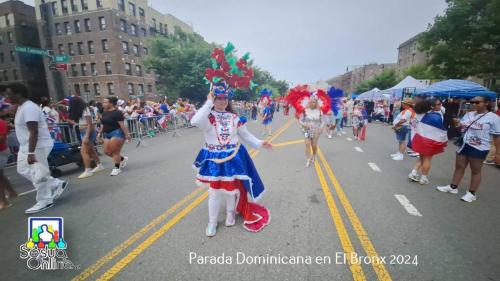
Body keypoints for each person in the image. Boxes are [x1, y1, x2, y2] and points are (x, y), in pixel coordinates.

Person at [191, 81, 272, 237]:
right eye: (218, 98)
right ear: (213, 99)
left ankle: (230, 213)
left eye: (225, 98)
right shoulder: (207, 117)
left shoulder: (235, 118)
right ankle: (212, 222)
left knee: (231, 189)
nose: (222, 101)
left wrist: (261, 143)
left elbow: (246, 136)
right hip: (215, 159)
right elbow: (194, 121)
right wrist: (208, 101)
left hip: (233, 156)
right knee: (214, 191)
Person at [7, 83, 68, 214]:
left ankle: (44, 200)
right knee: (23, 169)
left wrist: (30, 152)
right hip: (26, 145)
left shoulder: (29, 108)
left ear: (18, 94)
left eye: (9, 93)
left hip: (36, 145)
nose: (7, 96)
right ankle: (54, 183)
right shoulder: (21, 107)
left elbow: (34, 131)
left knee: (38, 173)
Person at [436, 96, 500, 202]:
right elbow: (462, 128)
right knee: (459, 166)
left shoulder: (493, 118)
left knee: (475, 170)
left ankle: (471, 193)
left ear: (486, 103)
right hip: (464, 144)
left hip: (479, 147)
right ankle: (453, 187)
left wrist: (498, 153)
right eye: (472, 102)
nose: (473, 104)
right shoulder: (468, 114)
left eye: (477, 102)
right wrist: (458, 124)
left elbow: (497, 136)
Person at [408, 98, 448, 185]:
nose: (440, 105)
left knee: (421, 157)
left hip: (420, 139)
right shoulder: (435, 116)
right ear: (432, 106)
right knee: (427, 159)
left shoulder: (419, 114)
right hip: (429, 141)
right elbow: (440, 131)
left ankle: (413, 173)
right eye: (438, 104)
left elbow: (413, 125)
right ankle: (423, 178)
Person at [100, 96, 131, 176]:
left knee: (115, 151)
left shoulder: (117, 112)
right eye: (103, 102)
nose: (103, 103)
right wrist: (99, 133)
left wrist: (127, 134)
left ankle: (117, 168)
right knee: (107, 152)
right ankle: (122, 159)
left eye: (105, 102)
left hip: (117, 133)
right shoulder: (104, 112)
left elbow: (122, 125)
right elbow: (103, 124)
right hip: (106, 134)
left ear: (111, 103)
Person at [73, 98, 104, 179]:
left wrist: (86, 136)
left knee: (84, 151)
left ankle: (88, 170)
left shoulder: (85, 110)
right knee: (91, 150)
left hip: (87, 132)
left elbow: (90, 124)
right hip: (85, 131)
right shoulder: (83, 110)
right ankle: (99, 165)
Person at [299, 97, 325, 167]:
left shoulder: (319, 111)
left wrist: (320, 128)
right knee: (307, 144)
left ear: (316, 103)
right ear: (308, 102)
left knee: (314, 145)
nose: (312, 103)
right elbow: (300, 120)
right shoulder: (304, 111)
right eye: (310, 102)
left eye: (313, 102)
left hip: (316, 130)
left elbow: (322, 121)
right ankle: (308, 159)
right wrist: (304, 124)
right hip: (307, 130)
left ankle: (314, 155)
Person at [484, 99, 500, 166]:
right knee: (494, 144)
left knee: (492, 144)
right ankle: (489, 159)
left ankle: (488, 158)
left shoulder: (498, 111)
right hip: (497, 128)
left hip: (495, 128)